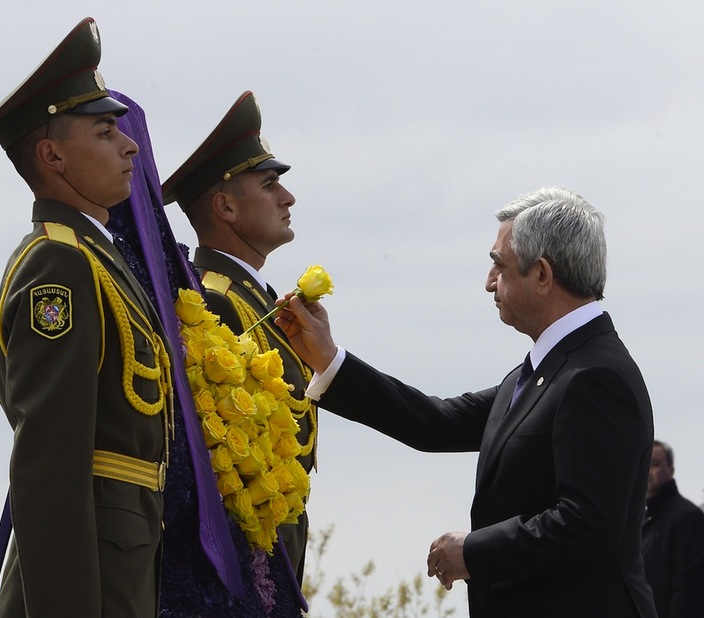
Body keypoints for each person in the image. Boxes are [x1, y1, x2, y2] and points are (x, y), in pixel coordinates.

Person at [275, 186, 657, 617]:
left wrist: (472, 551)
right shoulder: (546, 370)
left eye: (499, 266)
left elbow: (588, 522)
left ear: (543, 276)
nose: (489, 282)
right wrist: (327, 359)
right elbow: (433, 422)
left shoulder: (595, 376)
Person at [0, 19, 172, 617]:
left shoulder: (97, 259)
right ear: (51, 154)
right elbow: (50, 467)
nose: (130, 144)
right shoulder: (58, 266)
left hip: (122, 569)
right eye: (105, 132)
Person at [156, 92, 309, 616]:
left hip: (274, 531)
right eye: (270, 185)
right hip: (242, 548)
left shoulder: (254, 298)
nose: (288, 197)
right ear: (225, 206)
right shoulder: (213, 299)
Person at [642, 439, 704, 617]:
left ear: (671, 470)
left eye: (654, 464)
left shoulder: (687, 517)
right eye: (643, 463)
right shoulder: (644, 519)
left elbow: (690, 590)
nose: (647, 472)